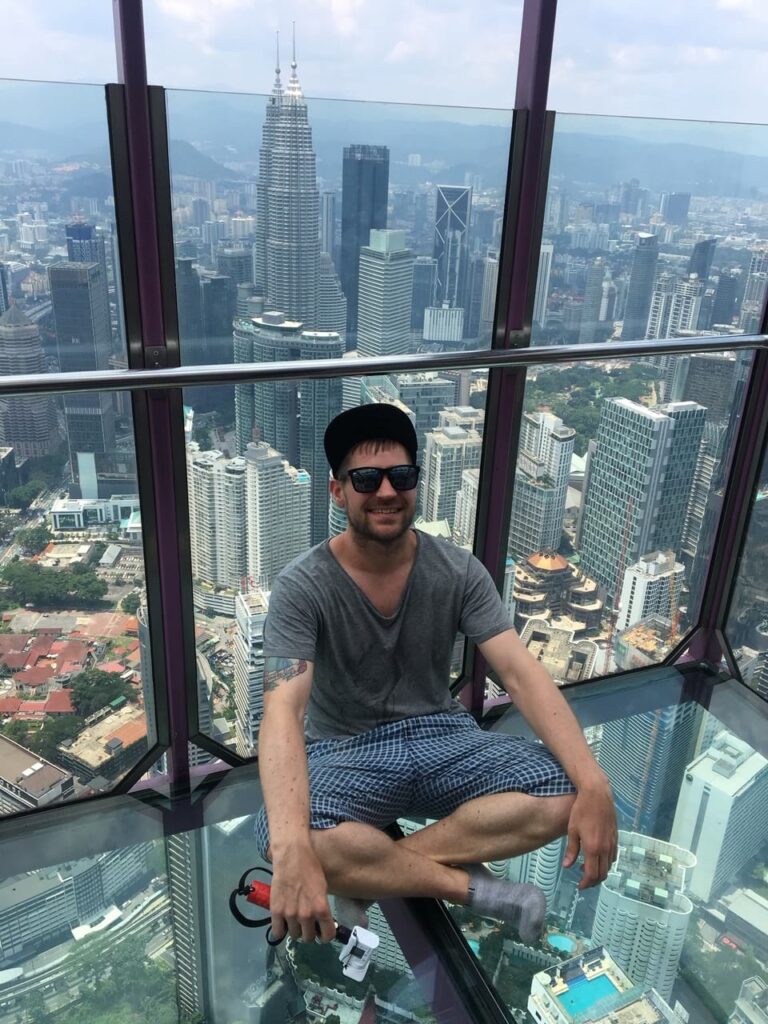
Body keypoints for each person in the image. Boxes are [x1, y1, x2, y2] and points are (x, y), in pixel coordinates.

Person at [256, 403, 616, 946]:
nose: (385, 491)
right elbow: (284, 706)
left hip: (443, 737)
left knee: (568, 794)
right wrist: (290, 850)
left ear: (416, 484)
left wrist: (594, 782)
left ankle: (374, 873)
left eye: (400, 476)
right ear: (337, 492)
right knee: (280, 836)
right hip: (346, 751)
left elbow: (519, 672)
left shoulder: (457, 569)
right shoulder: (303, 585)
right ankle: (474, 890)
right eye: (365, 479)